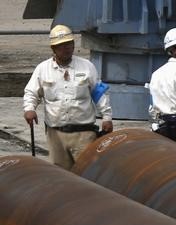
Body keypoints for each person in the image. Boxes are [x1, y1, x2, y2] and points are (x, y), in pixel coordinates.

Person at [23, 25, 113, 170]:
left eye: (69, 44)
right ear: (53, 48)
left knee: (87, 173)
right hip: (56, 136)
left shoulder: (87, 67)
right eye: (61, 46)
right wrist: (29, 109)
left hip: (84, 134)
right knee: (60, 176)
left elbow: (99, 93)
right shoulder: (43, 70)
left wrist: (107, 117)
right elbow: (31, 92)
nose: (66, 48)